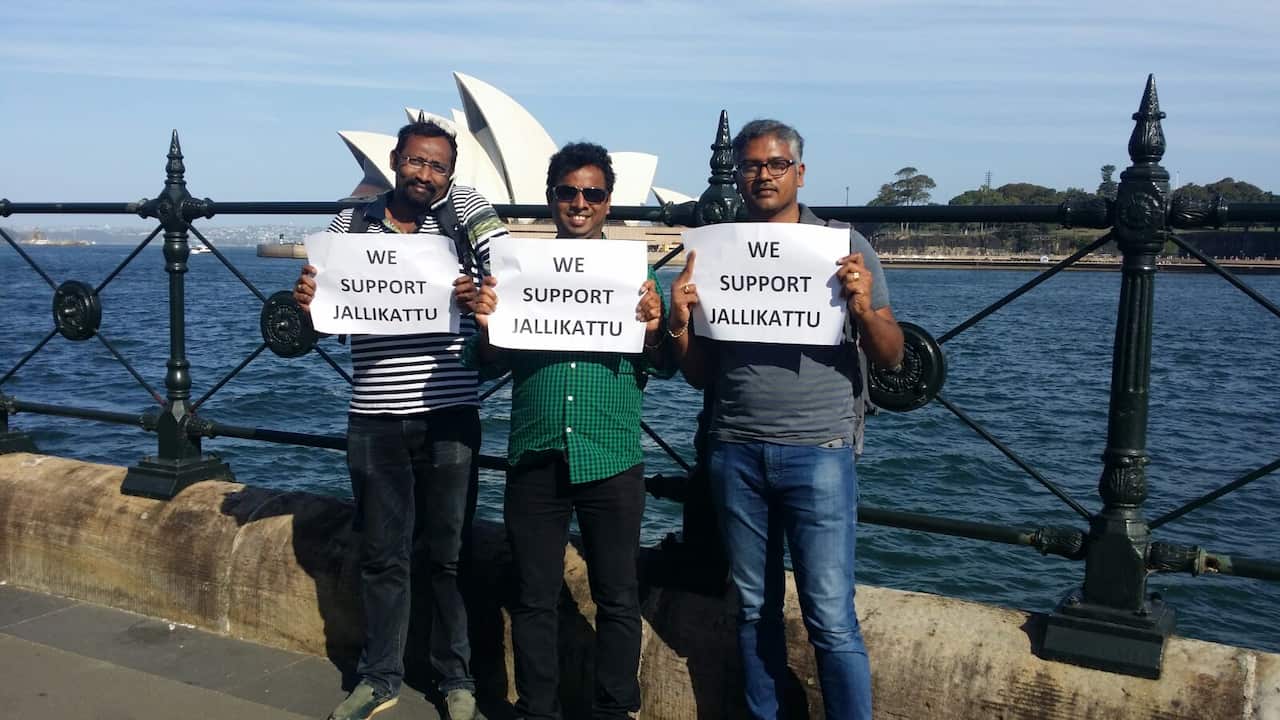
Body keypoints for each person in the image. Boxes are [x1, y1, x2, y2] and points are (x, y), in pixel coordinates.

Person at [667, 119, 904, 720]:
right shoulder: (717, 249)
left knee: (830, 614)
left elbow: (892, 353)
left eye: (775, 165)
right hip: (734, 447)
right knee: (751, 606)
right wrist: (679, 324)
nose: (762, 175)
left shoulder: (845, 246)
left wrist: (863, 306)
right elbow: (698, 374)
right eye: (750, 165)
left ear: (799, 172)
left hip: (820, 449)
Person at [293, 118, 508, 720]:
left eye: (438, 166)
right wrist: (308, 304)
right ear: (394, 160)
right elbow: (321, 322)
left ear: (450, 171)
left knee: (450, 553)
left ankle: (456, 677)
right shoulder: (352, 224)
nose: (425, 175)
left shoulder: (461, 212)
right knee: (383, 553)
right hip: (375, 416)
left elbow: (505, 262)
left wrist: (482, 294)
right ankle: (379, 675)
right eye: (416, 162)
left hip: (450, 415)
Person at [462, 142, 668, 719]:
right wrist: (486, 324)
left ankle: (613, 709)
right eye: (568, 192)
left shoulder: (640, 274)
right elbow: (487, 362)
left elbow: (665, 365)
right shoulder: (517, 272)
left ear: (608, 202)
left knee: (619, 597)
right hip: (535, 453)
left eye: (593, 194)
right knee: (532, 598)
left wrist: (654, 330)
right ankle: (537, 710)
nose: (580, 203)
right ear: (552, 198)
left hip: (611, 455)